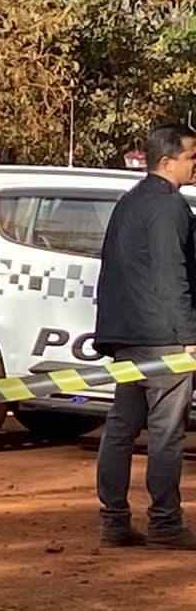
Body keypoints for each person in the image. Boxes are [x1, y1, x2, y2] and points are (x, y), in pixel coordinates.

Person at [94, 122, 196, 549]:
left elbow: (111, 268)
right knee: (166, 434)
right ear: (167, 161)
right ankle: (166, 524)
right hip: (165, 337)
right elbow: (172, 273)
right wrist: (189, 334)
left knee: (120, 429)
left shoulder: (128, 202)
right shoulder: (170, 208)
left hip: (129, 336)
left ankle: (114, 522)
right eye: (192, 156)